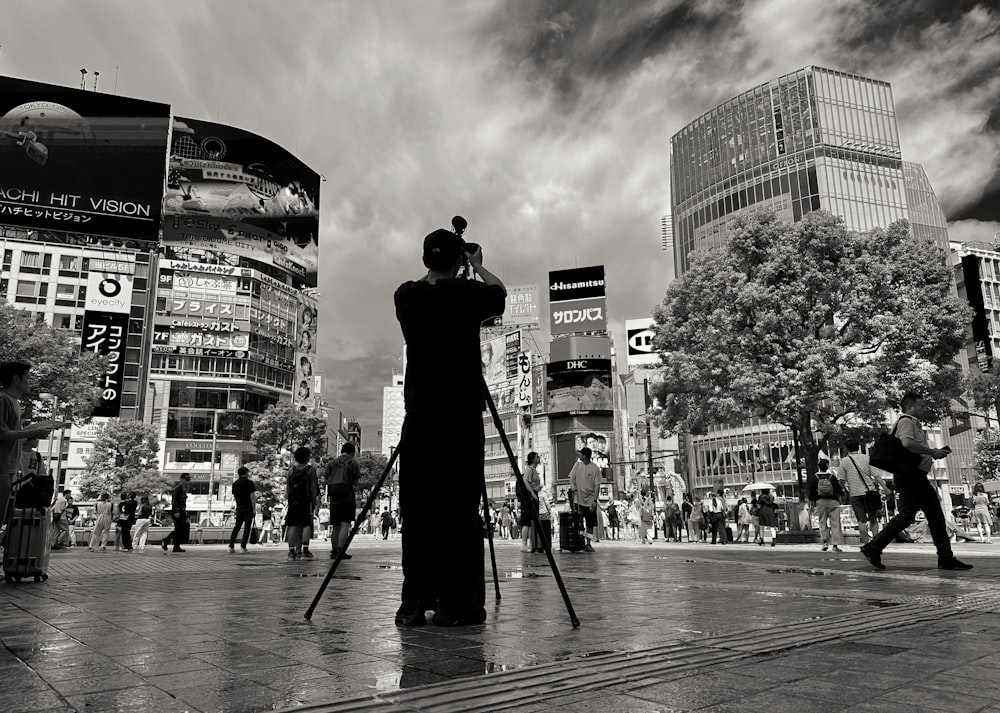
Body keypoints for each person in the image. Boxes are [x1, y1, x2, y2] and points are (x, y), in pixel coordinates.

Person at [392, 225, 506, 627]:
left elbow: (436, 285)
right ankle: (457, 604)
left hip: (420, 418)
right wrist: (477, 265)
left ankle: (413, 604)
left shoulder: (406, 296)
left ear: (425, 259)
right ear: (458, 260)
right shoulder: (468, 294)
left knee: (419, 511)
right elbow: (499, 294)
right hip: (460, 418)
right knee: (459, 511)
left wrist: (458, 263)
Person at [861, 392, 972, 571]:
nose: (924, 409)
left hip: (912, 476)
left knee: (917, 515)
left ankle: (874, 547)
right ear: (910, 407)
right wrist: (932, 452)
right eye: (921, 405)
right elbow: (906, 444)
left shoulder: (913, 423)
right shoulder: (907, 421)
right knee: (927, 515)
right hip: (911, 476)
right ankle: (945, 557)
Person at [0, 361, 57, 528]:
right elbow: (2, 433)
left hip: (8, 467)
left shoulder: (14, 402)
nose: (29, 381)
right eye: (27, 377)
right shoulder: (4, 400)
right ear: (16, 379)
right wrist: (33, 433)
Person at [837, 439, 889, 546]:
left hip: (855, 494)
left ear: (847, 449)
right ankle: (875, 542)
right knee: (873, 519)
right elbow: (877, 475)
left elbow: (841, 480)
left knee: (861, 521)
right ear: (858, 447)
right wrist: (885, 488)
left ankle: (866, 543)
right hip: (869, 492)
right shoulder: (867, 458)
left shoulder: (845, 461)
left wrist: (840, 492)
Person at [326, 442, 361, 560]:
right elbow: (356, 481)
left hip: (334, 496)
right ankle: (341, 550)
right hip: (347, 495)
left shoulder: (332, 463)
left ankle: (334, 550)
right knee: (345, 523)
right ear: (352, 452)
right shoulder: (353, 463)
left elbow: (327, 478)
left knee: (335, 524)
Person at [285, 446, 317, 560]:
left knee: (293, 525)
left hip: (293, 501)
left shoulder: (291, 470)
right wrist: (314, 500)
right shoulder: (310, 470)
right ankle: (305, 551)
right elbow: (313, 487)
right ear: (307, 457)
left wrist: (289, 499)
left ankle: (291, 552)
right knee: (306, 524)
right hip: (306, 500)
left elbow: (288, 487)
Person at [568, 447, 602, 552]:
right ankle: (580, 541)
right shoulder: (577, 465)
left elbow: (597, 486)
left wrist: (595, 501)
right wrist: (573, 486)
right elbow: (571, 478)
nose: (579, 456)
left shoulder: (595, 468)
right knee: (579, 523)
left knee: (590, 524)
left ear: (585, 456)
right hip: (578, 500)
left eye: (581, 454)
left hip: (590, 501)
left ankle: (588, 543)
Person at [808, 459, 844, 553]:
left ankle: (824, 543)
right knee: (835, 523)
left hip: (820, 502)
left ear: (818, 466)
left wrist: (812, 501)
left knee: (822, 522)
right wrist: (842, 495)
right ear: (827, 466)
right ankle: (835, 545)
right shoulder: (832, 477)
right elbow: (838, 490)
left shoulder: (814, 477)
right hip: (833, 502)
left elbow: (811, 491)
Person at [229, 466, 257, 552]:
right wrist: (254, 509)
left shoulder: (235, 484)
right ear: (246, 473)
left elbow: (235, 496)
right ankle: (243, 546)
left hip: (239, 507)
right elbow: (252, 496)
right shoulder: (249, 483)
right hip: (248, 507)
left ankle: (231, 546)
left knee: (237, 527)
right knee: (247, 527)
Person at [161, 474, 191, 553]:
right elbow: (174, 501)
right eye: (186, 479)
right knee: (179, 529)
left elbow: (183, 503)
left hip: (182, 511)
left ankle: (176, 546)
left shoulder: (184, 489)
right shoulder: (177, 489)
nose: (188, 481)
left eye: (188, 480)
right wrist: (177, 511)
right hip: (177, 511)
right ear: (181, 479)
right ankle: (166, 540)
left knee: (180, 529)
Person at [518, 452, 541, 553]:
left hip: (534, 496)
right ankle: (524, 544)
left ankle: (532, 543)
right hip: (529, 497)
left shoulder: (534, 470)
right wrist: (532, 493)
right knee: (527, 521)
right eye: (537, 457)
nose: (539, 458)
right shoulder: (529, 469)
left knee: (532, 521)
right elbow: (525, 481)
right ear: (533, 459)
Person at [50, 486, 69, 550]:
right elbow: (62, 508)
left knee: (56, 530)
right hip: (61, 517)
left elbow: (52, 508)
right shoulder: (64, 500)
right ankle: (59, 542)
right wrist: (67, 509)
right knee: (66, 530)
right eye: (69, 494)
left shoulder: (58, 500)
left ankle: (53, 543)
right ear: (67, 494)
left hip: (55, 516)